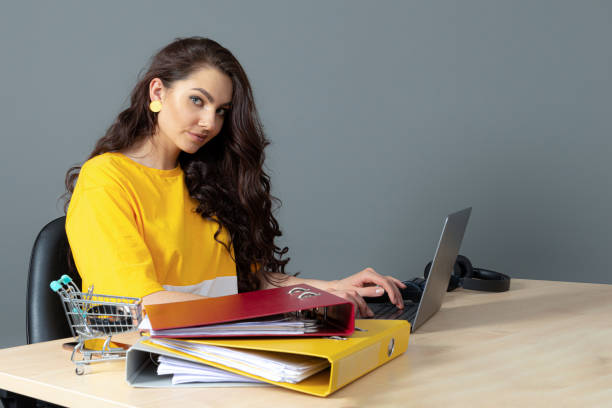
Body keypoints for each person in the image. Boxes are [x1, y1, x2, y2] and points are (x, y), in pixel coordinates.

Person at [64, 37, 405, 317]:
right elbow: (143, 306)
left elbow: (250, 281)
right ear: (157, 93)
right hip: (151, 360)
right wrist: (286, 306)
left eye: (221, 111)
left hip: (224, 349)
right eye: (197, 101)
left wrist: (331, 288)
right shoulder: (105, 181)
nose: (210, 123)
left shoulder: (203, 179)